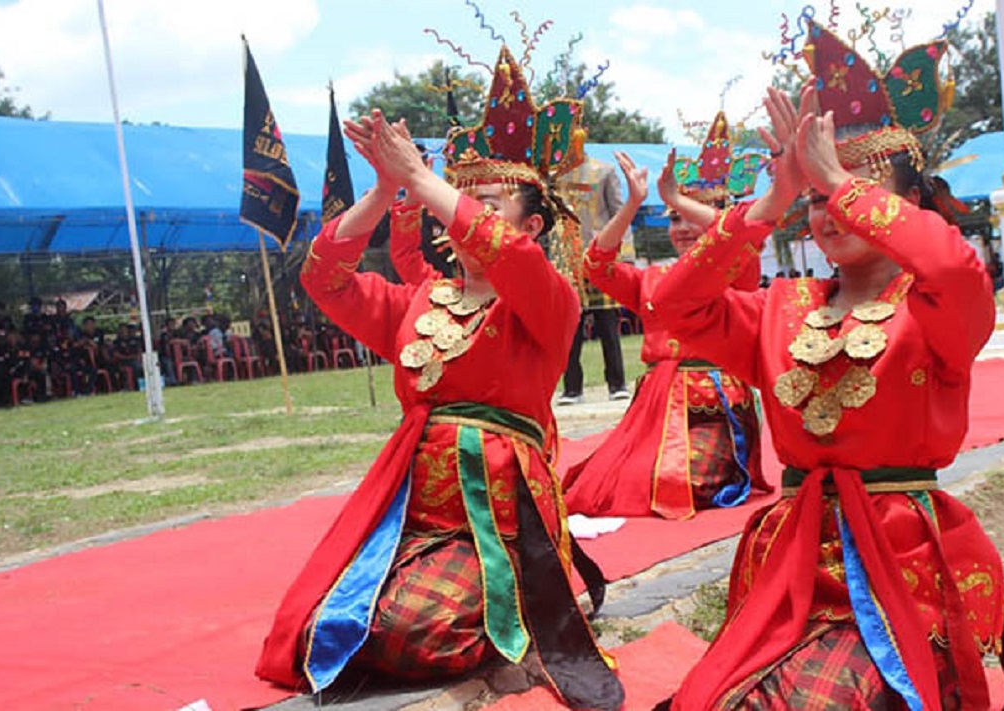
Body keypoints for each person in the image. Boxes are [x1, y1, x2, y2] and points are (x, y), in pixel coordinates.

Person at [652, 21, 1004, 711]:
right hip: (792, 557)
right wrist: (771, 201)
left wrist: (832, 174)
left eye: (853, 189)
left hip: (900, 560)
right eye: (817, 200)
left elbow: (951, 259)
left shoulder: (937, 306)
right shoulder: (779, 307)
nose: (831, 210)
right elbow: (671, 309)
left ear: (908, 203)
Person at [256, 46, 623, 711]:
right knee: (325, 627)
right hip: (415, 521)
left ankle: (514, 612)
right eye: (462, 200)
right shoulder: (417, 301)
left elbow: (505, 254)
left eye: (487, 202)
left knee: (410, 629)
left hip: (500, 526)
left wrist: (426, 181)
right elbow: (323, 278)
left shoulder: (545, 300)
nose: (464, 215)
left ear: (532, 224)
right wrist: (382, 191)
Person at [562, 114, 773, 520]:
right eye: (674, 218)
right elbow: (596, 265)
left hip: (714, 411)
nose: (683, 228)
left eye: (694, 217)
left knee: (680, 483)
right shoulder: (652, 279)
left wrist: (681, 201)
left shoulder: (739, 269)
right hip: (656, 409)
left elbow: (740, 231)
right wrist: (632, 204)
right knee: (602, 484)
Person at [555, 155, 631, 405]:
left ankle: (617, 384)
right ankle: (572, 389)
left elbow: (620, 213)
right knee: (569, 327)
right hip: (567, 259)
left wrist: (625, 255)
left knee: (608, 324)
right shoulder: (554, 177)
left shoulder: (605, 171)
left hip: (600, 256)